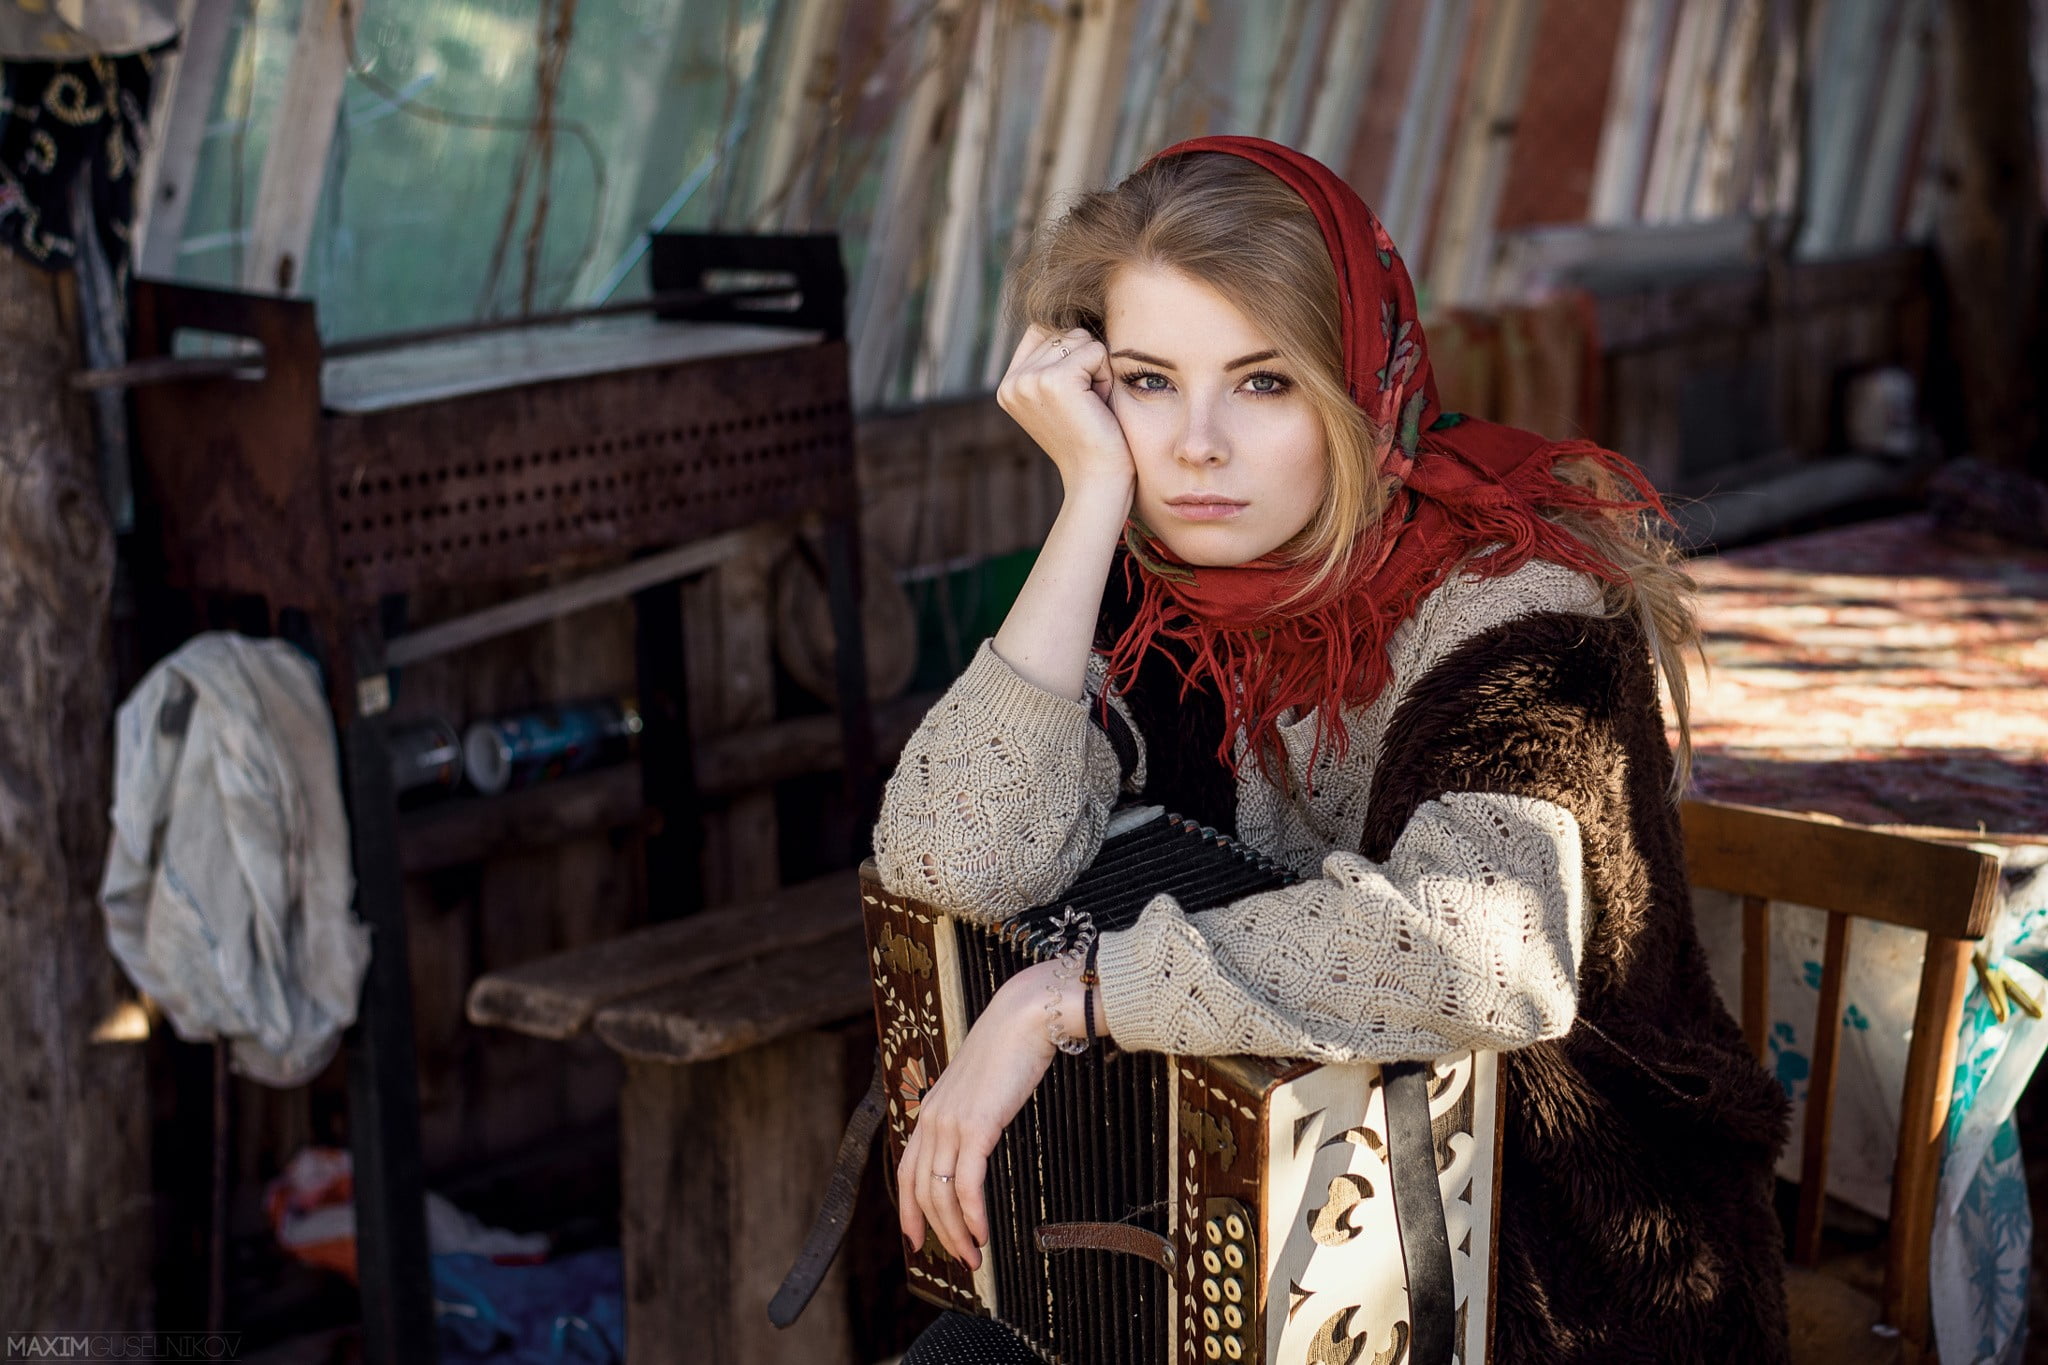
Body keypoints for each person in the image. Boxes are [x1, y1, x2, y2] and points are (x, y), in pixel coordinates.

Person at [871, 136, 1791, 1364]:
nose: (1195, 446)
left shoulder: (1519, 609)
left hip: (1557, 1272)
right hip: (1243, 1251)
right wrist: (1088, 500)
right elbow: (947, 858)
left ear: (1357, 386)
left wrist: (1067, 997)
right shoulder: (1147, 582)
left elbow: (1482, 953)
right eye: (1147, 382)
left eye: (1263, 383)